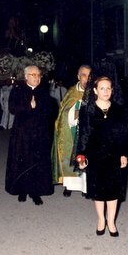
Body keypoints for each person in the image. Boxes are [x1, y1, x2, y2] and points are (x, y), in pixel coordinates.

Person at [76, 76, 128, 237]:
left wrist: (124, 154)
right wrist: (81, 156)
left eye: (108, 88)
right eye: (102, 88)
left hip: (114, 155)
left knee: (114, 191)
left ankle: (111, 221)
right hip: (95, 156)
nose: (105, 91)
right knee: (98, 190)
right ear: (95, 91)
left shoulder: (119, 110)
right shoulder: (87, 110)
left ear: (112, 90)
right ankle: (101, 220)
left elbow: (124, 135)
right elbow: (83, 134)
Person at [5, 65, 55, 205]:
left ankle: (36, 192)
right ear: (26, 76)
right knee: (22, 161)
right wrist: (29, 106)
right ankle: (22, 190)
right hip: (22, 134)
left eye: (38, 75)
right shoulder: (17, 90)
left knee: (36, 163)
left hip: (39, 134)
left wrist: (39, 108)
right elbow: (12, 108)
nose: (37, 77)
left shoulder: (43, 92)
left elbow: (49, 111)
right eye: (33, 75)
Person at [51, 64, 91, 197]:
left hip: (87, 132)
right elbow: (63, 111)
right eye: (84, 75)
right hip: (72, 130)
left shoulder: (95, 92)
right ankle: (69, 186)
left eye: (89, 75)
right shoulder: (71, 92)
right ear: (79, 77)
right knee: (69, 157)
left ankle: (85, 187)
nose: (87, 78)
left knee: (85, 158)